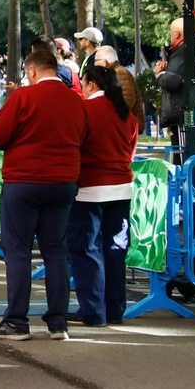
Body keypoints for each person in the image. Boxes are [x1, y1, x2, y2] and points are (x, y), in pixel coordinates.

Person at [0, 45, 88, 341]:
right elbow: (83, 137)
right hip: (63, 182)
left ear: (31, 70)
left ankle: (16, 320)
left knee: (18, 252)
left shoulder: (23, 96)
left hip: (24, 182)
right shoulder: (76, 101)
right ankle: (58, 322)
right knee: (56, 252)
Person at [68, 66, 139, 327]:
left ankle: (93, 311)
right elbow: (130, 152)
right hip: (121, 187)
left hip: (90, 188)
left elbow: (75, 147)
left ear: (90, 85)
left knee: (88, 251)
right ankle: (115, 309)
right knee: (115, 249)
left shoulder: (85, 111)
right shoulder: (126, 114)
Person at [154, 17, 195, 158]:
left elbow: (172, 81)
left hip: (182, 110)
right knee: (187, 152)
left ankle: (187, 180)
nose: (170, 36)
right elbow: (179, 76)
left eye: (171, 32)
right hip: (189, 108)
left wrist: (159, 73)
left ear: (177, 34)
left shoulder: (185, 51)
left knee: (182, 155)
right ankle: (189, 178)